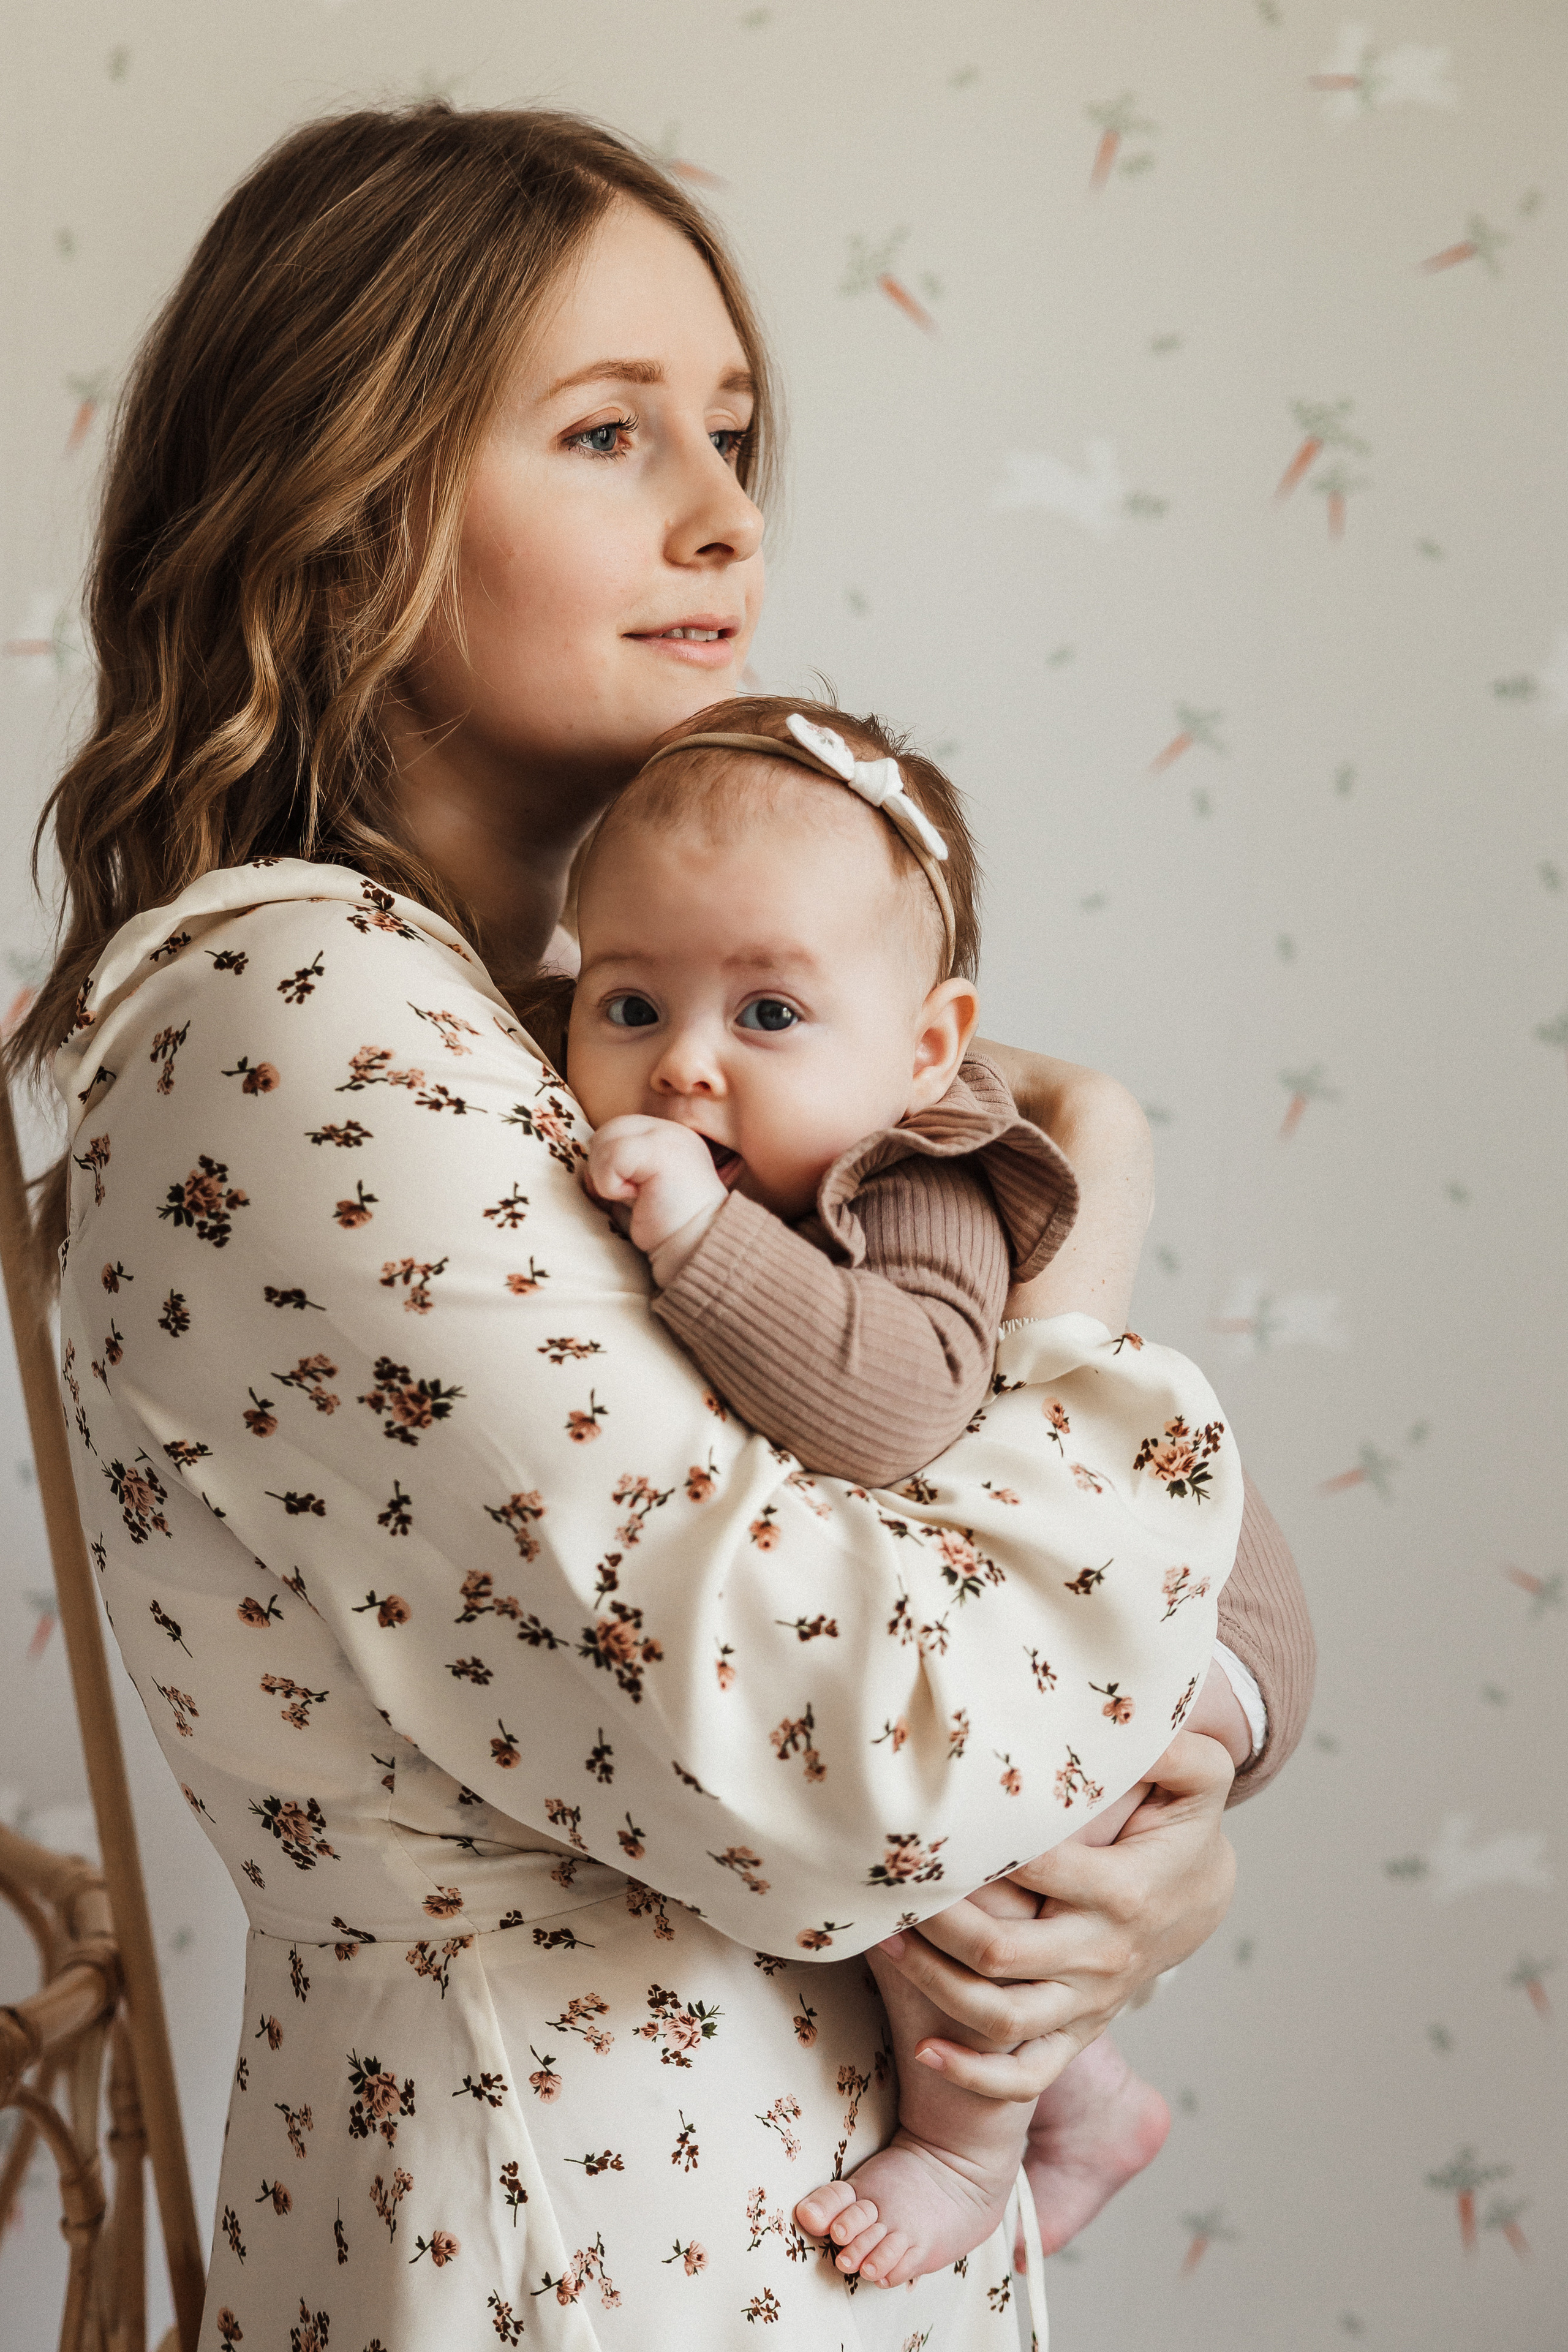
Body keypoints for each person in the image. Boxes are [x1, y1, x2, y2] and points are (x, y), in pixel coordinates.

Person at [10, 105, 1314, 2350]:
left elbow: (938, 1640)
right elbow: (869, 1756)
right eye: (610, 434)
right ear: (341, 520)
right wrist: (1092, 1219)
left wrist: (1151, 1855)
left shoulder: (567, 1039)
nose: (727, 515)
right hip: (578, 2281)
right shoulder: (296, 1014)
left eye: (731, 431)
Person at [538, 693, 1253, 2288]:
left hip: (1199, 1612)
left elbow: (889, 1412)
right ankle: (1100, 2095)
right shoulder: (709, 1132)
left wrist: (696, 1245)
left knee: (977, 1835)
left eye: (769, 1017)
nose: (686, 1071)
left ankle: (981, 2138)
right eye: (631, 1005)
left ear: (928, 1050)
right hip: (1096, 1586)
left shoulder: (922, 1176)